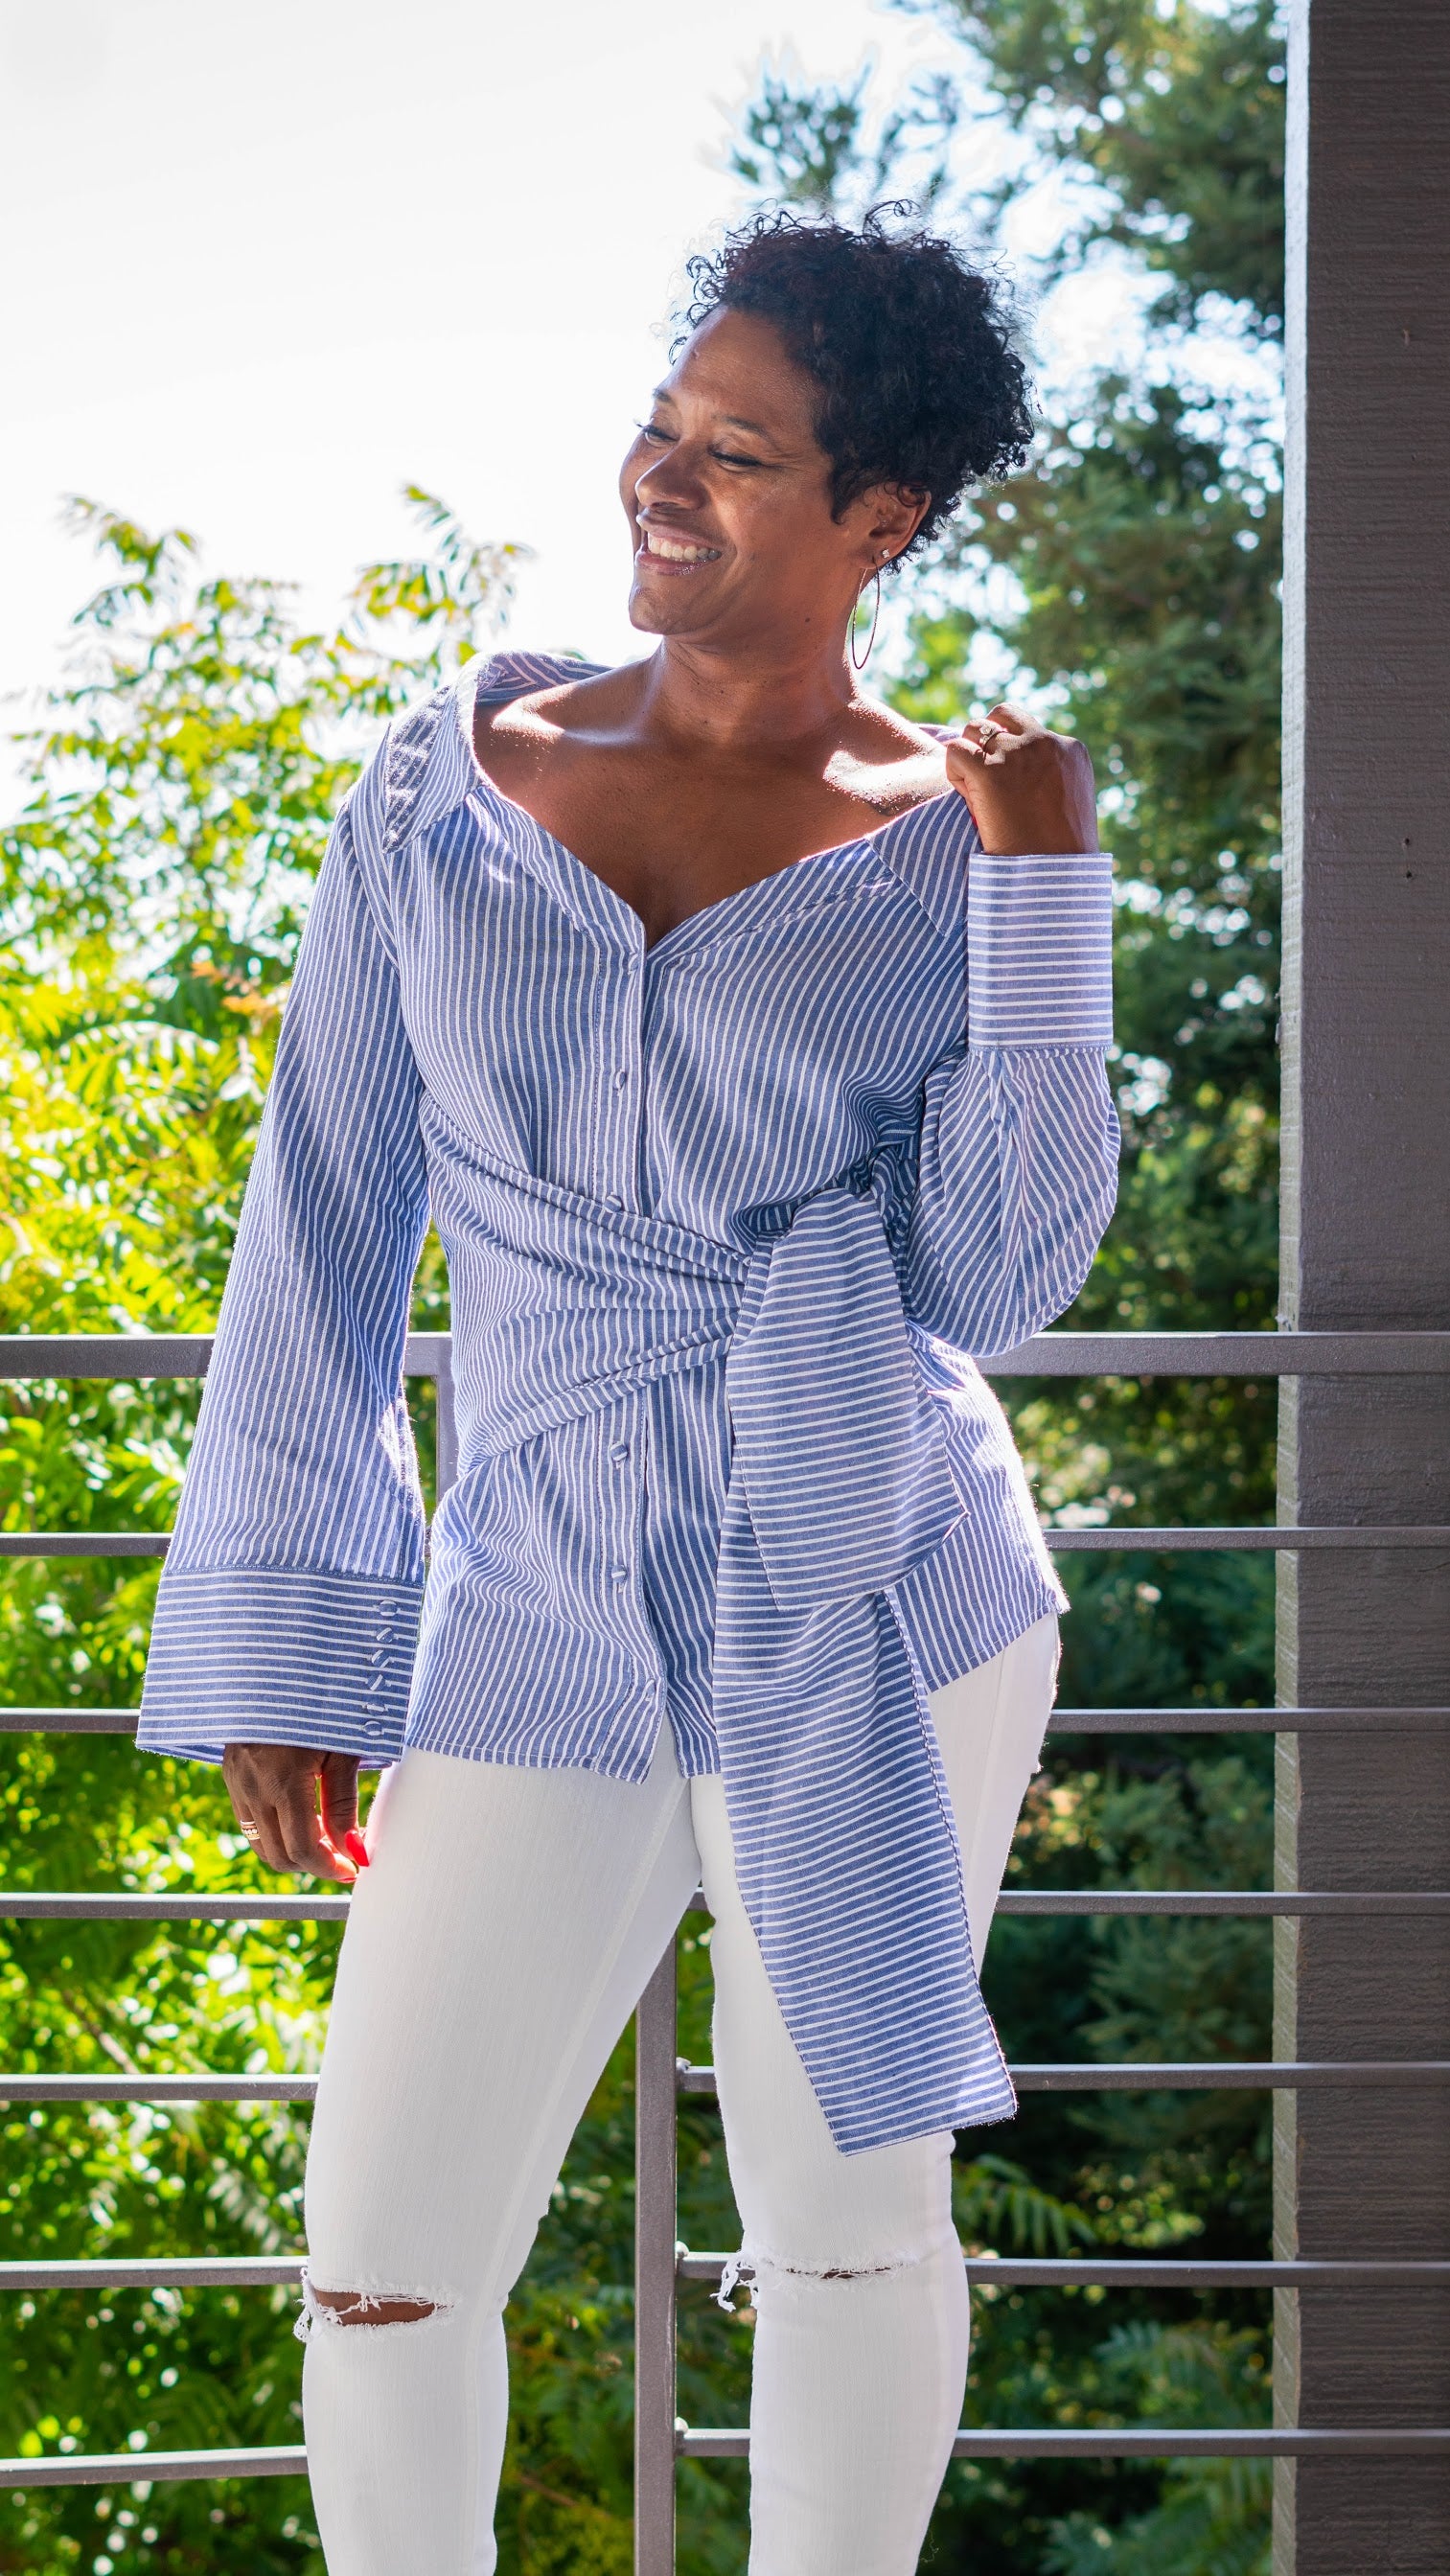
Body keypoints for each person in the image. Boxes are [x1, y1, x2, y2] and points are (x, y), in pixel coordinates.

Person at [137, 209, 1117, 2576]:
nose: (661, 480)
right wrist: (300, 1620)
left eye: (740, 456)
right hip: (535, 1599)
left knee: (845, 2220)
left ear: (876, 521)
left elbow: (989, 1274)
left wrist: (1047, 901)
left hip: (870, 1582)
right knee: (379, 2263)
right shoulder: (441, 796)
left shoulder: (944, 837)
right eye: (662, 429)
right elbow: (330, 1213)